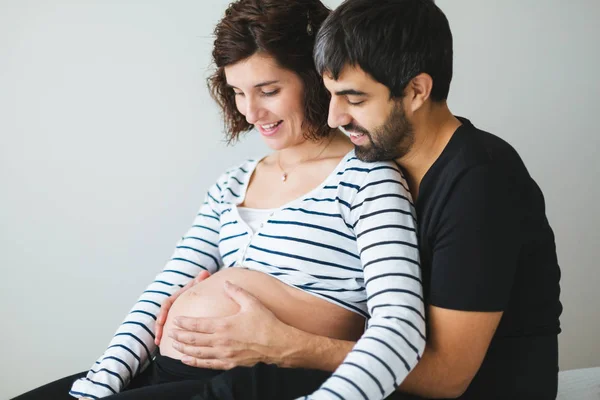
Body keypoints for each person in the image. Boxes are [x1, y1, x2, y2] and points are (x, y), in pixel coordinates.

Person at [12, 1, 424, 399]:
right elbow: (165, 287)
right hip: (165, 370)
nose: (250, 112)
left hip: (249, 386)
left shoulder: (368, 181)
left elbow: (398, 327)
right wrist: (100, 383)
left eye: (268, 90)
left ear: (316, 78)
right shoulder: (233, 184)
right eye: (238, 92)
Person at [163, 0, 563, 399]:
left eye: (354, 99)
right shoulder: (384, 165)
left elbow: (447, 377)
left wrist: (284, 344)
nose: (334, 117)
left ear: (416, 91)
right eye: (331, 94)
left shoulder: (480, 182)